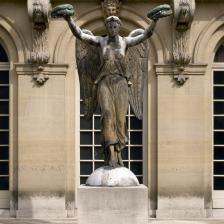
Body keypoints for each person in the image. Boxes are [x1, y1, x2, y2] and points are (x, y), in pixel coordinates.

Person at [63, 14, 156, 167]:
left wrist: (155, 20)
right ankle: (111, 153)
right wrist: (68, 19)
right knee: (107, 115)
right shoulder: (101, 41)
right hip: (104, 82)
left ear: (119, 27)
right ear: (107, 28)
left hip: (121, 83)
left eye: (115, 26)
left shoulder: (126, 42)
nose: (112, 29)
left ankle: (119, 153)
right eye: (110, 27)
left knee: (120, 119)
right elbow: (79, 34)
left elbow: (147, 34)